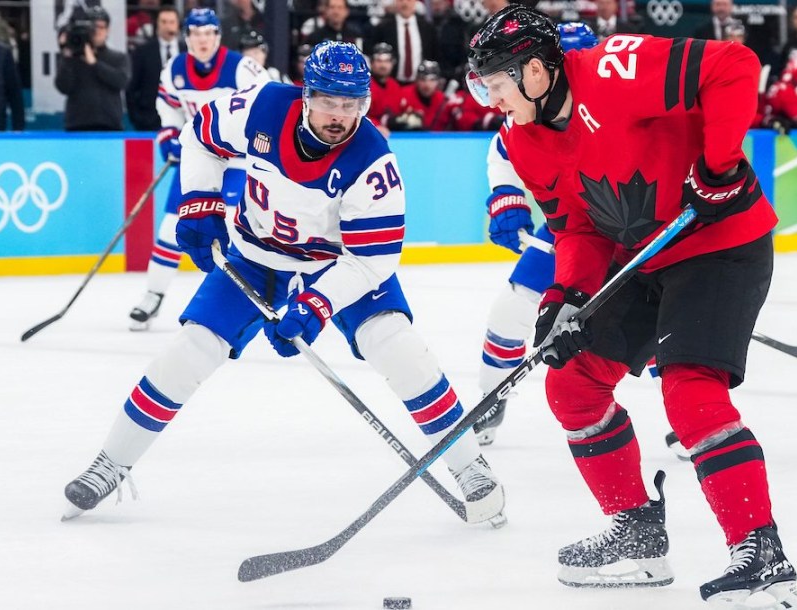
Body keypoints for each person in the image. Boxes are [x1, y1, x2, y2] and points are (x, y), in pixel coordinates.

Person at [63, 41, 506, 528]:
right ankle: (111, 463)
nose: (339, 116)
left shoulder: (373, 161)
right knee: (190, 350)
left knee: (397, 346)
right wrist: (199, 200)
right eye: (328, 102)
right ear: (306, 94)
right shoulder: (261, 105)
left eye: (350, 104)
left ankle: (469, 466)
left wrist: (316, 304)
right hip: (255, 256)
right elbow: (199, 137)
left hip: (335, 264)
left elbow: (371, 262)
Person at [466, 7, 797, 607]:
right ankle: (639, 536)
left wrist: (720, 165)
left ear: (538, 71)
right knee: (571, 385)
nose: (492, 99)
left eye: (497, 83)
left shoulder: (614, 69)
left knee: (691, 392)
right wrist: (563, 298)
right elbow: (578, 230)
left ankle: (763, 556)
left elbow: (735, 65)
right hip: (643, 255)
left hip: (720, 245)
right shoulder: (524, 142)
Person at [473, 21, 603, 446]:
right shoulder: (527, 110)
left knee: (656, 325)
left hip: (632, 228)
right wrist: (506, 196)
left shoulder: (612, 105)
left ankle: (687, 409)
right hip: (570, 230)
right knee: (510, 311)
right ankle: (492, 397)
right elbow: (505, 149)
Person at [127, 8, 271, 330]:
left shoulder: (242, 68)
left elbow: (268, 105)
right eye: (195, 34)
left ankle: (236, 304)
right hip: (199, 160)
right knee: (170, 230)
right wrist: (169, 136)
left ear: (217, 36)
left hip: (237, 161)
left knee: (232, 230)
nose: (202, 40)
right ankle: (152, 295)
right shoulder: (174, 69)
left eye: (208, 33)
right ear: (187, 37)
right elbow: (170, 110)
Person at [55, 6, 129, 131]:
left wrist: (95, 64)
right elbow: (63, 87)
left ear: (108, 30)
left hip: (109, 126)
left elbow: (121, 81)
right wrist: (67, 57)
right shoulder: (73, 57)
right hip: (77, 126)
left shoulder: (118, 58)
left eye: (101, 27)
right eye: (94, 27)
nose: (97, 31)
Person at [126, 6, 183, 131]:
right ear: (157, 24)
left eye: (172, 22)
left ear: (178, 24)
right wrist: (138, 119)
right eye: (163, 22)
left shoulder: (188, 51)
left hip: (184, 121)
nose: (168, 26)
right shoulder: (142, 52)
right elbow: (131, 89)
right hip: (150, 122)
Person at [370, 0, 438, 85]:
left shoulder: (428, 29)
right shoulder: (383, 28)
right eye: (401, 0)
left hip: (419, 87)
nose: (405, 4)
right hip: (391, 84)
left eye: (409, 0)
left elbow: (434, 55)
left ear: (415, 2)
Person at [385, 59, 450, 131]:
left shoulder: (443, 100)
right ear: (417, 80)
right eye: (423, 79)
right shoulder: (402, 94)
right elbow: (387, 119)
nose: (427, 85)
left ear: (438, 81)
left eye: (432, 80)